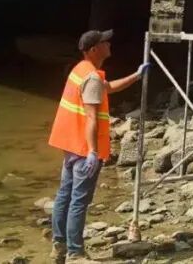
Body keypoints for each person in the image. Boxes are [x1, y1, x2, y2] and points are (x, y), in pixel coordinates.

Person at [48, 30, 148, 263]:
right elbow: (92, 117)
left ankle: (59, 246)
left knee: (64, 195)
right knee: (78, 200)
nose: (109, 43)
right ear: (94, 49)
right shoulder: (91, 78)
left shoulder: (81, 70)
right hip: (84, 149)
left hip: (70, 144)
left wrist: (136, 76)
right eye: (104, 42)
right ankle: (75, 253)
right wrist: (93, 152)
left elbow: (108, 87)